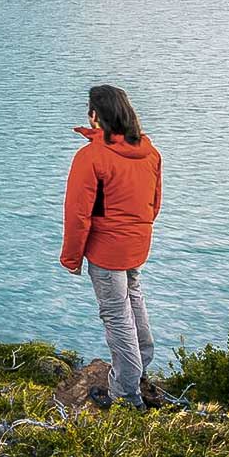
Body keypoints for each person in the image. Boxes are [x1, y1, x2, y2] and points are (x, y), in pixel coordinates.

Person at [60, 84, 162, 411]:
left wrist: (72, 258)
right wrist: (135, 232)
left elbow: (78, 214)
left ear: (96, 116)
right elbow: (154, 204)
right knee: (134, 300)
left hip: (106, 249)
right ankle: (140, 368)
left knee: (115, 315)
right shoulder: (150, 153)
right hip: (136, 242)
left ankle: (126, 394)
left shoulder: (92, 157)